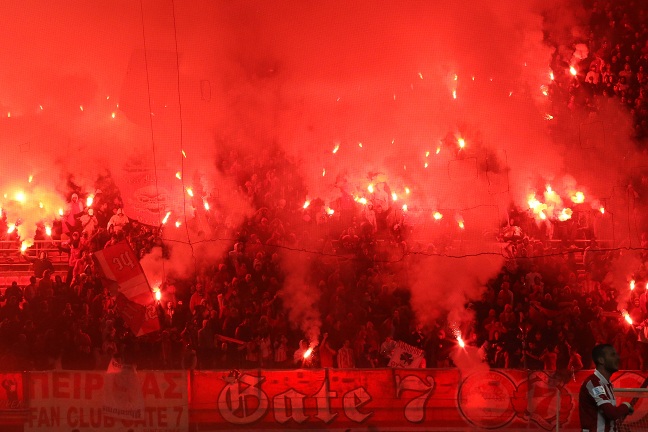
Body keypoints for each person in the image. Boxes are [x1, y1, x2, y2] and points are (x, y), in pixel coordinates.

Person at [579, 344, 633, 432]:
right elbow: (611, 413)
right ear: (601, 360)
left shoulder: (607, 384)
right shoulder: (593, 383)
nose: (618, 358)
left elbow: (609, 418)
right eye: (613, 355)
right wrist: (626, 406)